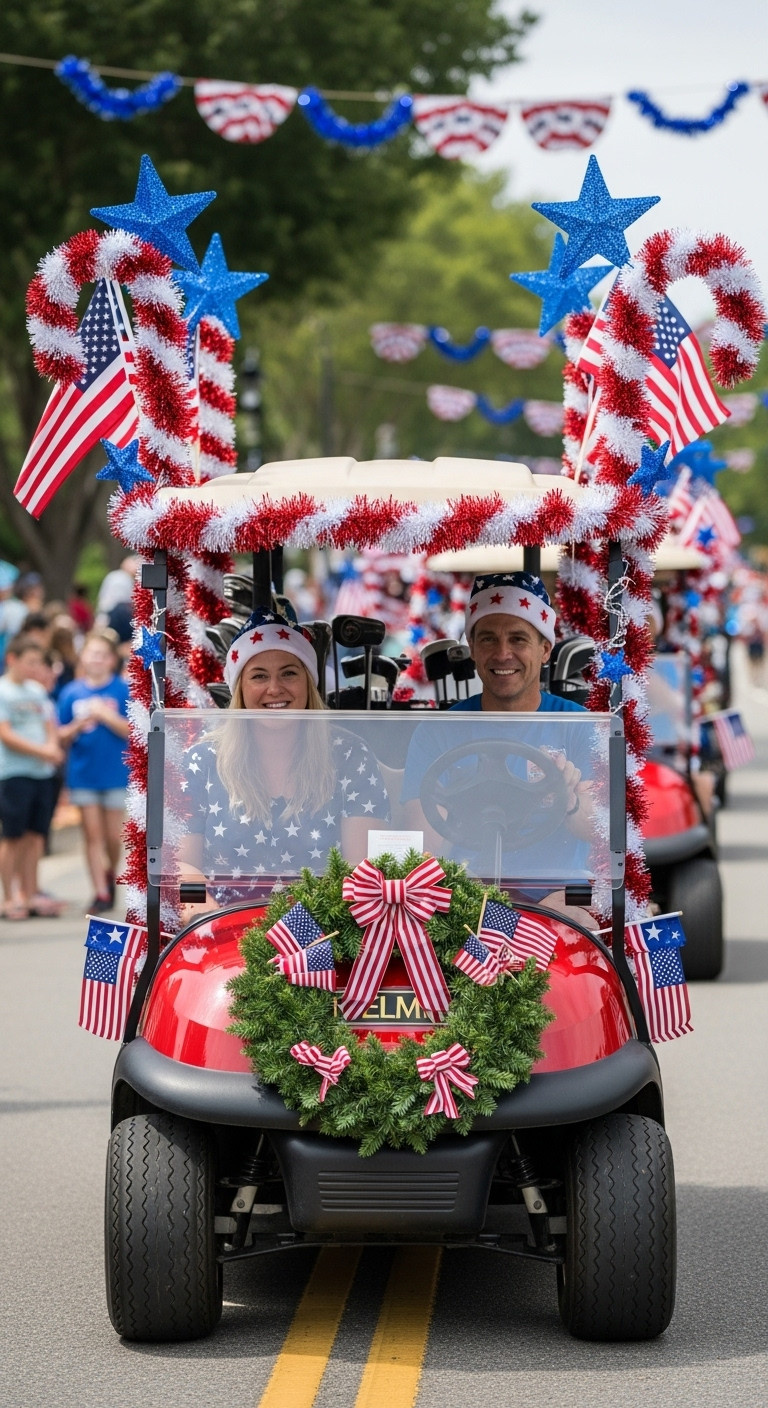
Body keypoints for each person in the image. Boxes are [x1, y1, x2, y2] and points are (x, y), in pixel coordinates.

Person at [401, 572, 596, 921]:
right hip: (463, 894)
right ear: (472, 649)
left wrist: (569, 802)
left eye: (518, 639)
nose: (503, 653)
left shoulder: (579, 725)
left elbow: (600, 831)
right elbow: (424, 849)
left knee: (576, 923)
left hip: (559, 893)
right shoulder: (438, 732)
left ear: (545, 649)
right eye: (488, 639)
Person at [177, 608, 389, 921]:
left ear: (309, 682)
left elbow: (363, 868)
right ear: (240, 688)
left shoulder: (349, 755)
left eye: (289, 672)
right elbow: (183, 866)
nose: (274, 688)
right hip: (223, 935)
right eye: (259, 675)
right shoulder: (202, 760)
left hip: (325, 933)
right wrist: (201, 914)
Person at [57, 633, 130, 913]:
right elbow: (60, 735)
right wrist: (78, 724)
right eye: (92, 653)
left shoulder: (122, 689)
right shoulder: (71, 693)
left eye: (103, 654)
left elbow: (132, 731)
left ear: (112, 660)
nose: (97, 659)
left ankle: (110, 872)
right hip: (83, 774)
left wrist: (105, 715)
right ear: (83, 657)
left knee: (113, 836)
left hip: (115, 773)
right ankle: (99, 890)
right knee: (92, 834)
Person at [0, 635, 64, 919]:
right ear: (12, 659)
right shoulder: (3, 691)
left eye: (39, 662)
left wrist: (51, 747)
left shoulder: (37, 692)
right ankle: (9, 896)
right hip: (15, 773)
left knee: (36, 836)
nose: (35, 668)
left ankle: (29, 893)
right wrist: (41, 750)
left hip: (42, 773)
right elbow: (5, 733)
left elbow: (49, 723)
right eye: (30, 662)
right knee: (13, 836)